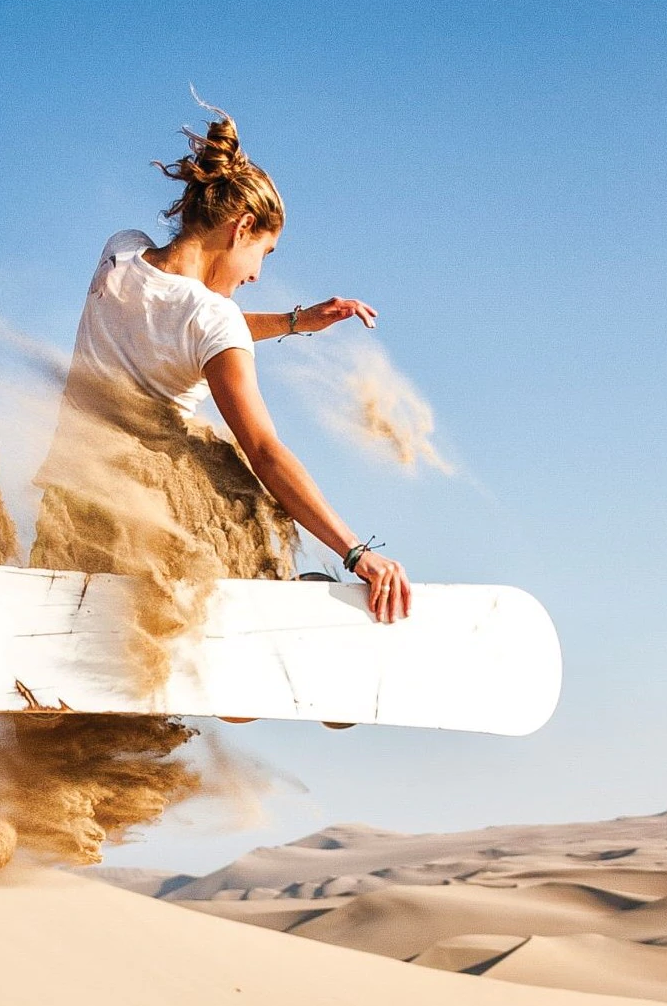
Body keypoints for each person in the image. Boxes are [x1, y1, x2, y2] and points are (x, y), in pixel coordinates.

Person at [31, 101, 412, 629]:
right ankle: (284, 594)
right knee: (230, 706)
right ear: (242, 227)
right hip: (153, 519)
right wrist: (354, 552)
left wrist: (294, 321)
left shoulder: (120, 252)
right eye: (266, 252)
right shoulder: (211, 319)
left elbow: (176, 324)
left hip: (71, 505)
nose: (257, 274)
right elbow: (264, 449)